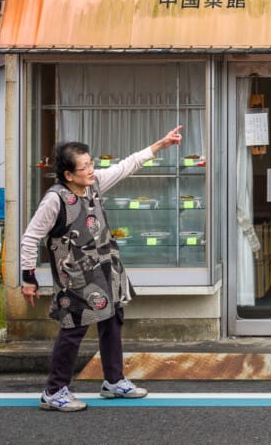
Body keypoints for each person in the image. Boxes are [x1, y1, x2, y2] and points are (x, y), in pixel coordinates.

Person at [21, 125, 183, 412]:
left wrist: (159, 146)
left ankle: (113, 380)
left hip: (104, 269)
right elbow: (31, 237)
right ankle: (54, 390)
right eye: (84, 167)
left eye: (91, 163)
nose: (91, 170)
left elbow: (125, 166)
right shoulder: (54, 200)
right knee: (73, 329)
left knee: (112, 319)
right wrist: (28, 277)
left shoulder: (93, 184)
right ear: (68, 175)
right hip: (74, 278)